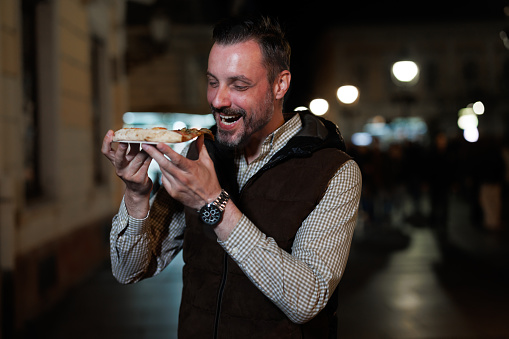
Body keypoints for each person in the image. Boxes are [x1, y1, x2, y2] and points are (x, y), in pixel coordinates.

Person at [101, 15, 361, 339]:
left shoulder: (335, 171)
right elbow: (128, 270)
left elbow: (306, 299)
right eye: (213, 81)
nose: (218, 100)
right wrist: (136, 194)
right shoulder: (199, 152)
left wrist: (213, 202)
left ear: (280, 84)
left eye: (238, 85)